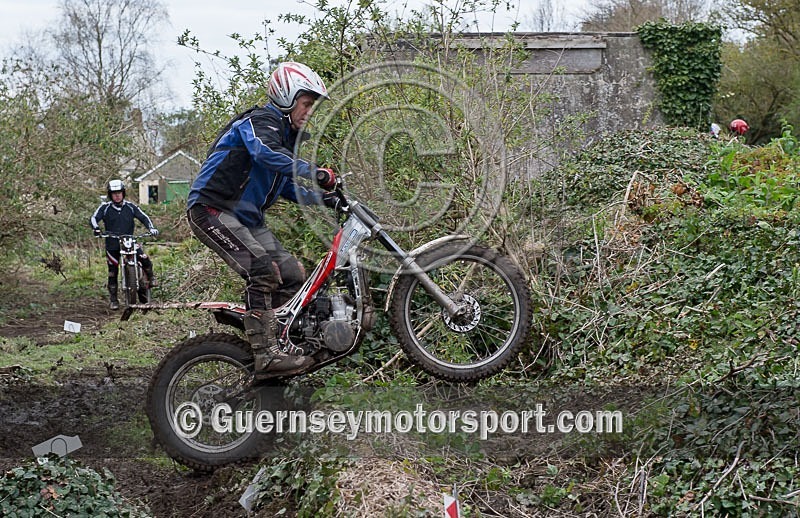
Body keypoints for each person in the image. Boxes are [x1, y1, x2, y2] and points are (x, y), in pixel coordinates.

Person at [186, 61, 340, 377]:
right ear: (287, 96)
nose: (310, 111)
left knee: (293, 275)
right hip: (212, 210)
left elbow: (285, 187)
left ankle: (287, 346)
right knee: (262, 269)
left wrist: (326, 199)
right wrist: (316, 173)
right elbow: (264, 153)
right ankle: (266, 354)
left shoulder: (282, 138)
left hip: (247, 220)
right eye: (307, 103)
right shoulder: (258, 123)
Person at [90, 179, 159, 310]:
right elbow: (94, 218)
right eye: (114, 193)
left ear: (123, 193)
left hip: (130, 241)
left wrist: (151, 228)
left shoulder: (130, 207)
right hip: (112, 243)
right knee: (112, 272)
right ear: (110, 195)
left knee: (144, 258)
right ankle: (114, 300)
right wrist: (96, 228)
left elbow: (144, 217)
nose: (117, 195)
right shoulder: (105, 208)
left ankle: (151, 278)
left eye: (119, 192)